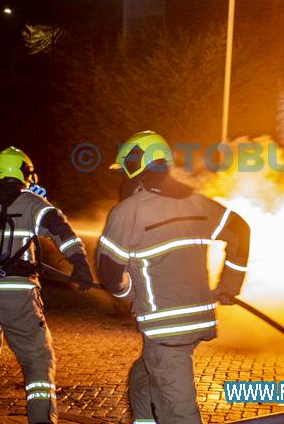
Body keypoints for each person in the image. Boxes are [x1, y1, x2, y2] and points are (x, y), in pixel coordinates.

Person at [97, 131, 250, 423]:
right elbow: (241, 232)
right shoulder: (198, 204)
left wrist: (123, 295)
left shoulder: (128, 211)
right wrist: (230, 285)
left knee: (180, 411)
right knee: (143, 381)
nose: (124, 176)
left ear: (137, 163)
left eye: (126, 167)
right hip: (197, 319)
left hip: (165, 329)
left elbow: (109, 272)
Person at [0, 146, 95, 423]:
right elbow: (58, 226)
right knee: (37, 361)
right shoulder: (30, 201)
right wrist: (79, 262)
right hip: (16, 298)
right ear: (20, 171)